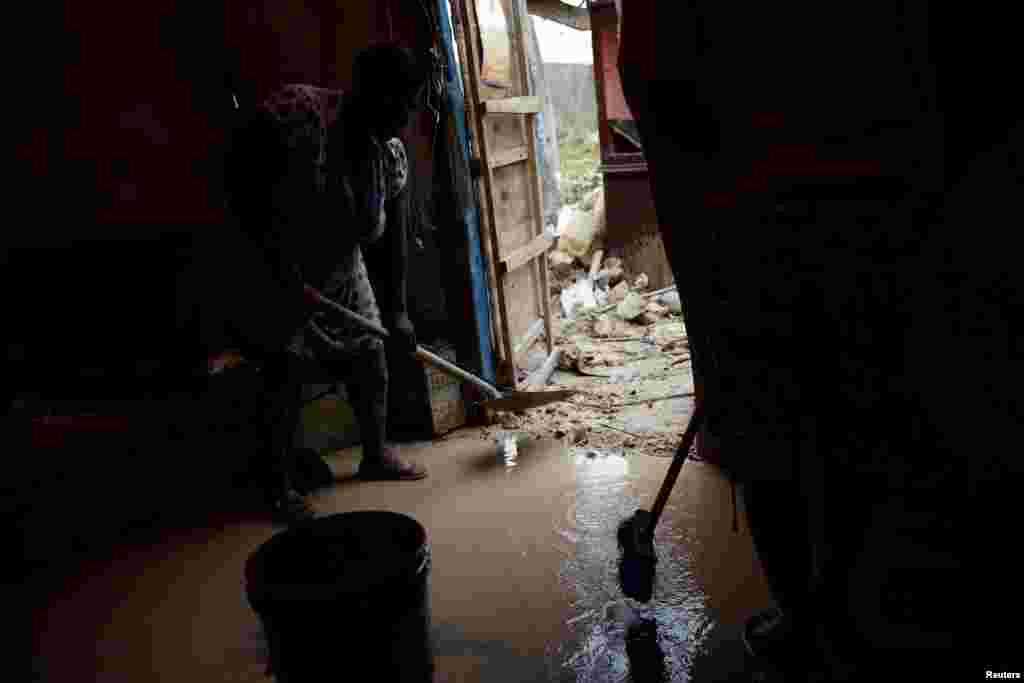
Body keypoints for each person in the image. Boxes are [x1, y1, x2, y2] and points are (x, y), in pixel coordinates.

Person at [615, 2, 944, 679]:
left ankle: (810, 617)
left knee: (774, 436)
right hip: (835, 224)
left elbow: (659, 90)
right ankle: (834, 611)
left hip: (749, 241)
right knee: (842, 427)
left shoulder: (676, 32)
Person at [220, 43, 431, 523]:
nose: (408, 115)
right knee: (285, 368)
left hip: (338, 262)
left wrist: (397, 311)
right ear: (371, 94)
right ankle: (277, 484)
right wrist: (275, 263)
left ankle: (375, 454)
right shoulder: (298, 116)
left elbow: (394, 235)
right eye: (403, 102)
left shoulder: (389, 154)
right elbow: (239, 178)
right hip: (273, 258)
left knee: (372, 355)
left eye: (413, 103)